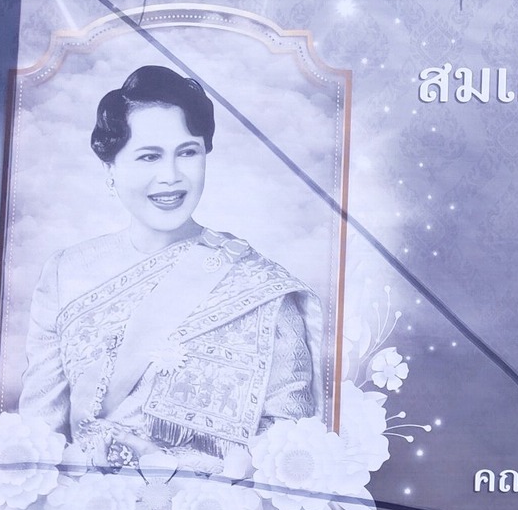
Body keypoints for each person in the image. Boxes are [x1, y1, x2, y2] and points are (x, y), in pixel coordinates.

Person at [16, 64, 319, 474]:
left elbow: (289, 448)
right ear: (110, 169)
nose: (171, 177)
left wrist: (164, 465)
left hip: (213, 508)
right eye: (149, 156)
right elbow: (38, 441)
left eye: (188, 153)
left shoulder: (260, 286)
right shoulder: (65, 273)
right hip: (83, 505)